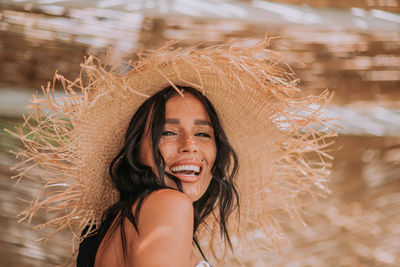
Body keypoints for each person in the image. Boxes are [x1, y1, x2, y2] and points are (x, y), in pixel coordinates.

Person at [10, 37, 335, 266]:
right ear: (137, 149)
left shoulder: (122, 223)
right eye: (168, 131)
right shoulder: (168, 205)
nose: (190, 145)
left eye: (203, 133)